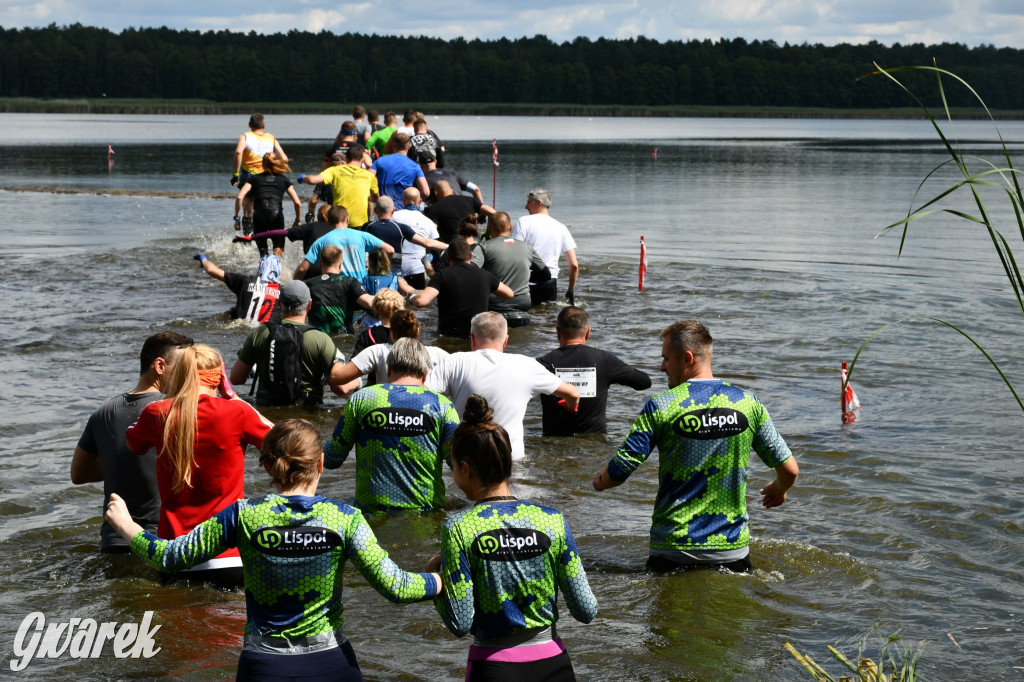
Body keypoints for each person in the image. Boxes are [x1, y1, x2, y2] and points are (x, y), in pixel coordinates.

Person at [106, 418, 442, 681]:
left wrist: (127, 526)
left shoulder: (243, 515)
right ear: (320, 463)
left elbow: (170, 557)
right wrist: (439, 581)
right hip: (331, 664)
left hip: (263, 666)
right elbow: (396, 587)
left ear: (268, 466)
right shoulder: (345, 519)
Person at [591, 321, 799, 573]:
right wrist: (779, 489)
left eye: (666, 359)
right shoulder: (748, 403)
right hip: (731, 549)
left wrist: (601, 481)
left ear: (687, 358)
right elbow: (790, 469)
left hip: (673, 548)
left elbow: (621, 468)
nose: (662, 367)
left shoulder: (661, 406)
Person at [427, 394, 597, 681]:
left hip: (493, 667)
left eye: (452, 467)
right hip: (554, 665)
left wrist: (435, 580)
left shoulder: (458, 528)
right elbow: (586, 609)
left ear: (465, 468)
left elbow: (460, 622)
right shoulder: (552, 520)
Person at [126, 344, 273, 589]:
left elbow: (133, 443)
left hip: (173, 553)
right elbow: (286, 443)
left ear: (180, 374)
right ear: (220, 378)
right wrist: (233, 396)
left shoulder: (156, 413)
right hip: (228, 553)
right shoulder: (237, 412)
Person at [71, 331, 194, 553]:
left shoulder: (103, 412)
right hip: (163, 541)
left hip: (114, 540)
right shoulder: (176, 409)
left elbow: (78, 475)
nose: (190, 376)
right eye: (185, 368)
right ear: (160, 366)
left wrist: (121, 462)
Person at [323, 338, 460, 513]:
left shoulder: (361, 399)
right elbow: (458, 463)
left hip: (370, 515)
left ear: (388, 369)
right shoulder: (443, 406)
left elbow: (332, 459)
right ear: (426, 374)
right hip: (426, 513)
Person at [426, 312, 579, 460]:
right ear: (506, 340)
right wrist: (570, 407)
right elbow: (573, 394)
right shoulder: (526, 365)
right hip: (509, 458)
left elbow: (422, 394)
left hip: (466, 457)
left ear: (472, 338)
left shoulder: (455, 362)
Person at [230, 280, 349, 407]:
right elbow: (340, 389)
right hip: (306, 412)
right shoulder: (320, 339)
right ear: (309, 304)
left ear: (279, 304)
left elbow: (236, 378)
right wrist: (357, 381)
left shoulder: (260, 333)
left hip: (266, 410)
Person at [537, 306, 651, 436]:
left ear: (558, 332)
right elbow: (644, 382)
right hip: (594, 442)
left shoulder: (542, 364)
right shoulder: (604, 360)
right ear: (588, 333)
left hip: (553, 441)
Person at [408, 239, 514, 339]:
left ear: (448, 258)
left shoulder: (442, 275)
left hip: (449, 334)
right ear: (471, 256)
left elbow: (421, 301)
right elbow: (509, 294)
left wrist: (411, 296)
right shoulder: (485, 275)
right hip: (477, 334)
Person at [333, 310, 449, 390]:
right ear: (418, 331)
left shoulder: (378, 351)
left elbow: (337, 378)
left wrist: (337, 358)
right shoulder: (437, 354)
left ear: (392, 333)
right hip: (423, 412)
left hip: (385, 411)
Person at [471, 211, 550, 316]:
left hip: (494, 304)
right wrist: (525, 278)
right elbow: (546, 274)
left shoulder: (483, 247)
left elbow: (469, 270)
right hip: (522, 303)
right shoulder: (527, 247)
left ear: (489, 229)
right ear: (511, 227)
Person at [513, 189, 579, 306]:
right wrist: (570, 290)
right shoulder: (561, 227)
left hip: (526, 282)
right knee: (547, 315)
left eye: (528, 202)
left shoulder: (524, 221)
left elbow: (515, 252)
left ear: (538, 203)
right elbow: (574, 265)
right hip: (549, 284)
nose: (525, 207)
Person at [293, 206, 392, 282]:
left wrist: (295, 287)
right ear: (347, 219)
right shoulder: (362, 236)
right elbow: (390, 250)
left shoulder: (321, 241)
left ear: (329, 222)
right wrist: (375, 271)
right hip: (360, 287)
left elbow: (302, 269)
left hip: (335, 289)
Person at [235, 152, 302, 257]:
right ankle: (279, 265)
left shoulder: (253, 179)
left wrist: (237, 218)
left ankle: (263, 266)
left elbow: (239, 197)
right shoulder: (284, 179)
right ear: (276, 163)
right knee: (278, 250)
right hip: (276, 217)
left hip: (259, 217)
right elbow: (297, 203)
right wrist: (297, 220)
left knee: (263, 253)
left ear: (262, 164)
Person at [297, 145, 379, 229]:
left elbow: (312, 180)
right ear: (362, 160)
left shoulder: (335, 170)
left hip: (339, 221)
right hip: (360, 223)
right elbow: (376, 199)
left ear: (346, 159)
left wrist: (303, 177)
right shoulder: (369, 176)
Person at [361, 196, 447, 275]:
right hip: (394, 274)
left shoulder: (367, 227)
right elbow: (426, 243)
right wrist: (449, 246)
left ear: (375, 210)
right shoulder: (400, 227)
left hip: (373, 273)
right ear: (393, 210)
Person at [193, 250, 283, 324]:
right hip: (265, 331)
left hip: (241, 324)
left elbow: (211, 270)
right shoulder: (282, 292)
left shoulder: (245, 281)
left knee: (231, 313)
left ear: (261, 266)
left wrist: (203, 260)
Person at [232, 113, 288, 229]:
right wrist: (277, 171)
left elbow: (238, 152)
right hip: (266, 176)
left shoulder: (245, 137)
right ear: (264, 125)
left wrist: (236, 174)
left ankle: (247, 233)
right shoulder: (271, 138)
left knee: (248, 206)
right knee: (264, 204)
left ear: (249, 125)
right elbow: (284, 159)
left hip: (249, 175)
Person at [304, 245, 375, 334]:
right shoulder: (349, 282)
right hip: (344, 336)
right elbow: (368, 302)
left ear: (320, 264)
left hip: (316, 337)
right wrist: (387, 295)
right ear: (341, 264)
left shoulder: (306, 285)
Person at [394, 187, 440, 289]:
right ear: (420, 201)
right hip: (417, 268)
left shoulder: (393, 217)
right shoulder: (428, 222)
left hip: (395, 267)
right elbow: (432, 246)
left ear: (403, 201)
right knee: (417, 297)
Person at [370, 133, 431, 207]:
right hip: (403, 208)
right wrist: (413, 201)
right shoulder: (414, 166)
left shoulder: (380, 161)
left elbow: (367, 179)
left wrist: (375, 197)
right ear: (409, 147)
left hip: (384, 207)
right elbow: (426, 192)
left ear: (393, 146)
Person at [424, 180, 496, 243]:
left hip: (453, 244)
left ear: (436, 193)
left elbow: (431, 231)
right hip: (474, 241)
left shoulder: (434, 208)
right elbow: (492, 212)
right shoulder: (469, 199)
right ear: (452, 191)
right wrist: (488, 232)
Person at [350, 289, 405, 363]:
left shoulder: (367, 336)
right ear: (400, 310)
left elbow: (354, 364)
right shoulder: (407, 334)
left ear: (377, 311)